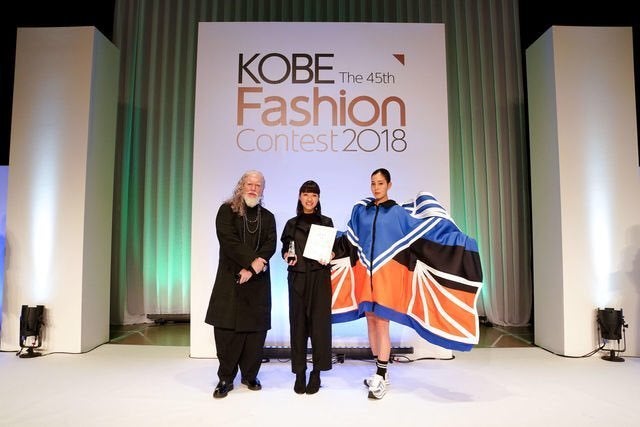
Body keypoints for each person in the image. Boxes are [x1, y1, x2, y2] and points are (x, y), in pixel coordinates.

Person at [332, 168, 483, 400]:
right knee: (371, 322)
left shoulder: (398, 213)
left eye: (380, 183)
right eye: (373, 183)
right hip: (365, 278)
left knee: (382, 323)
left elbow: (422, 234)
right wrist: (327, 248)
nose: (376, 187)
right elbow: (349, 240)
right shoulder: (362, 212)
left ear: (389, 185)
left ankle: (381, 374)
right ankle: (379, 372)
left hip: (386, 278)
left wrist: (459, 241)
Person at [205, 170, 277, 399]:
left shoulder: (268, 217)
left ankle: (250, 375)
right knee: (227, 332)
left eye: (258, 185)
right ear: (241, 186)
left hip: (257, 282)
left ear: (263, 189)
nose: (253, 188)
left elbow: (270, 245)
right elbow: (229, 241)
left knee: (255, 333)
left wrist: (252, 269)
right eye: (249, 184)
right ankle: (225, 378)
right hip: (231, 279)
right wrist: (252, 263)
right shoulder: (226, 211)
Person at [280, 180, 334, 395]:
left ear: (318, 199)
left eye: (314, 195)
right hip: (298, 277)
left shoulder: (326, 222)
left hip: (320, 277)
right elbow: (285, 249)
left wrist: (331, 254)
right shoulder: (291, 224)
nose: (309, 199)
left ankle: (317, 373)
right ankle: (300, 372)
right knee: (298, 326)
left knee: (320, 327)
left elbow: (333, 248)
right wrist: (287, 255)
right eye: (306, 194)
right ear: (300, 197)